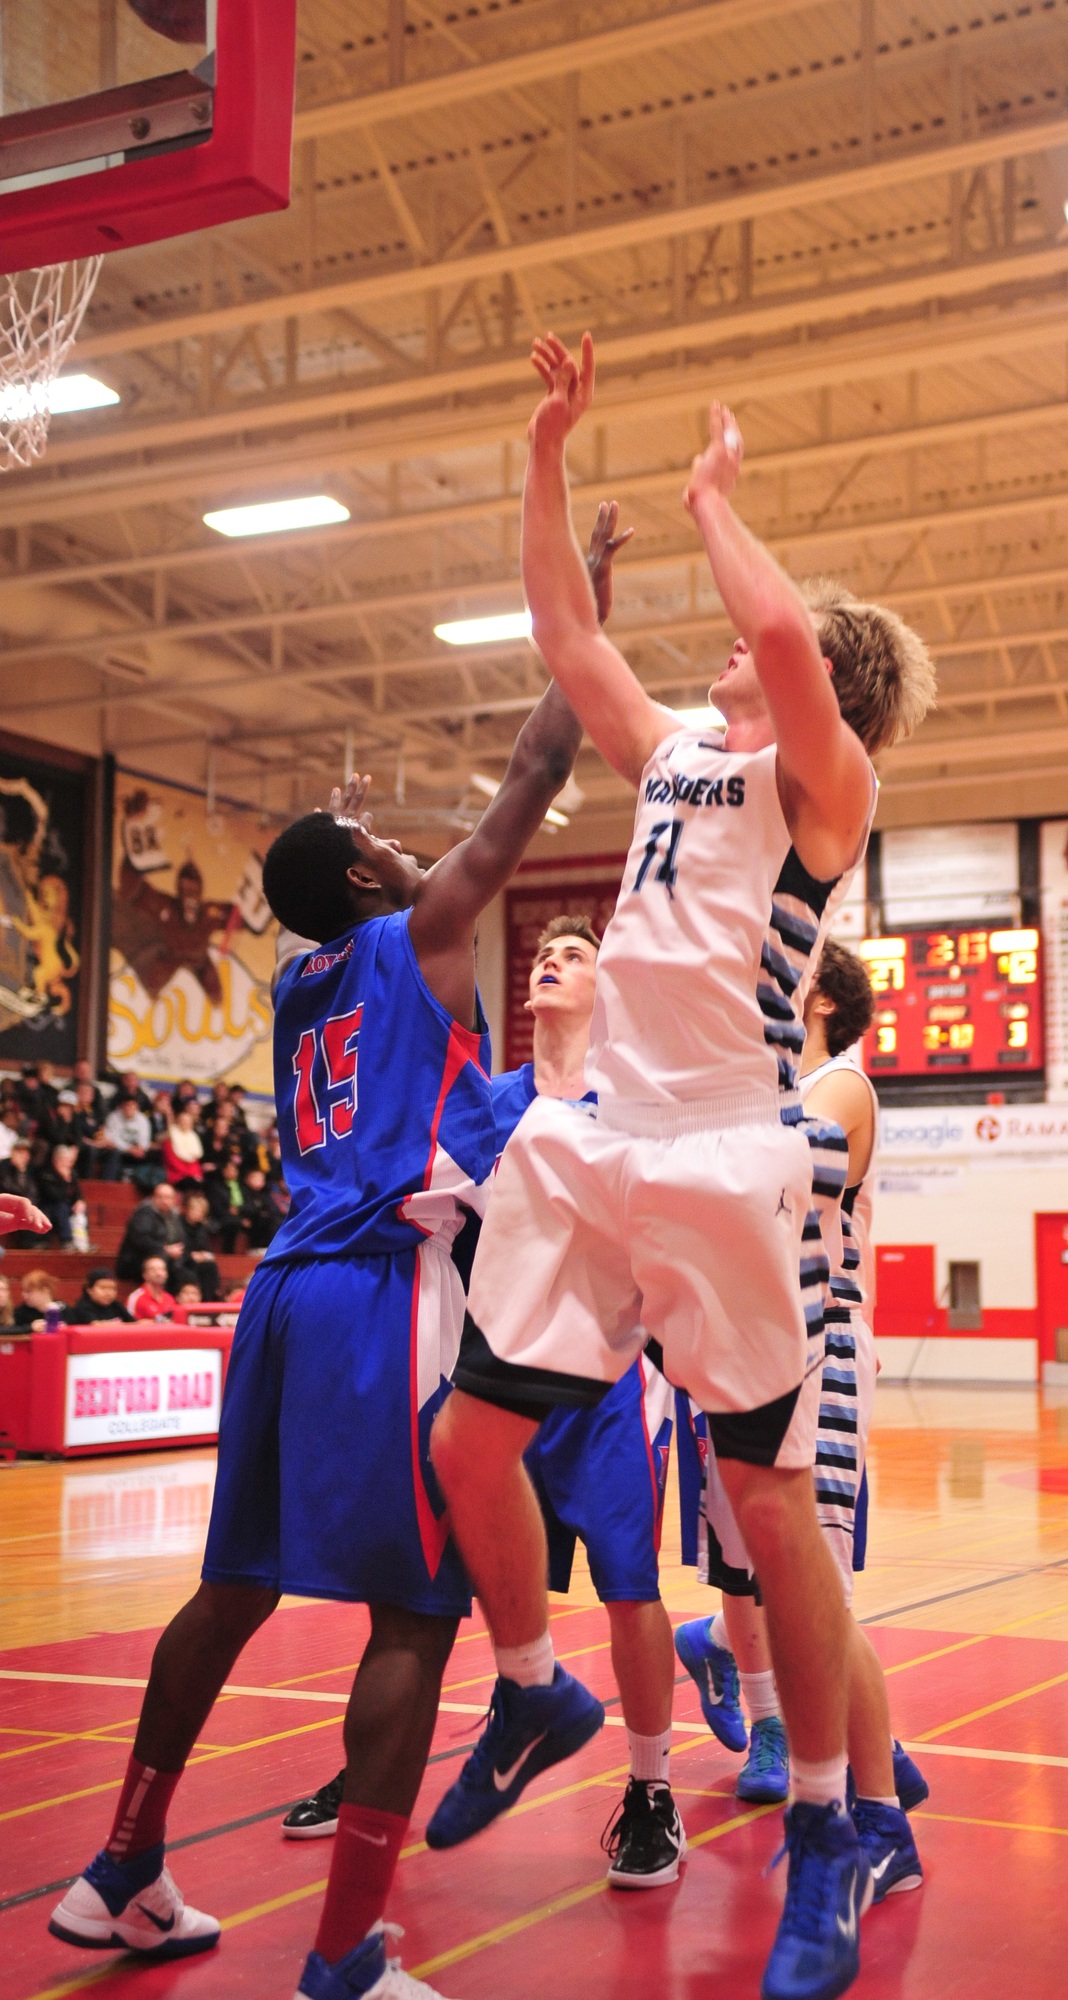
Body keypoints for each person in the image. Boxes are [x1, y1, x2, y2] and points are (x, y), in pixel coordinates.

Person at [430, 332, 935, 2000]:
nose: (728, 641)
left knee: (771, 1511)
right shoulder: (668, 754)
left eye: (759, 642)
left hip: (724, 1147)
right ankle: (530, 1686)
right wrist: (545, 451)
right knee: (468, 1437)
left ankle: (827, 1827)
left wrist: (718, 500)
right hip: (601, 1140)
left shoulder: (824, 783)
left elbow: (782, 634)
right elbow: (566, 638)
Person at [50, 665, 586, 2000]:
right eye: (380, 844)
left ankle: (120, 1867)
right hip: (377, 1294)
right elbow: (533, 775)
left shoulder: (297, 981)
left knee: (232, 1585)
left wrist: (346, 843)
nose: (406, 850)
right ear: (361, 882)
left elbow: (333, 907)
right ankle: (344, 1952)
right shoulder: (423, 931)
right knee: (414, 1613)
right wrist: (577, 634)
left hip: (282, 1293)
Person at [291, 912, 687, 1889]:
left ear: (610, 984)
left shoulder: (635, 1100)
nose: (551, 961)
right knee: (423, 1591)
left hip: (604, 1377)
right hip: (487, 1376)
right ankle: (375, 1765)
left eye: (575, 954)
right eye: (543, 952)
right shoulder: (484, 1100)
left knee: (629, 1587)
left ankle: (651, 1789)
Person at [675, 944, 927, 1881]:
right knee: (773, 1577)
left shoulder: (839, 1085)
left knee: (817, 1592)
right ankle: (862, 1752)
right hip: (748, 1344)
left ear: (815, 997)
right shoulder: (761, 1090)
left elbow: (767, 1179)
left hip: (819, 1344)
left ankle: (880, 1820)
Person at [116, 1180, 185, 1281]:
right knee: (163, 1263)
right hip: (137, 1261)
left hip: (167, 1257)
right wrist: (165, 1249)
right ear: (153, 1198)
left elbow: (182, 1239)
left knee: (194, 1268)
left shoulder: (174, 1216)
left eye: (167, 1197)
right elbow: (140, 1240)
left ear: (174, 1199)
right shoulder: (144, 1213)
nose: (164, 1201)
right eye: (160, 1197)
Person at [37, 1143, 86, 1249]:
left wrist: (79, 1201)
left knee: (81, 1209)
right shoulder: (46, 1174)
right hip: (48, 1207)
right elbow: (54, 1196)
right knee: (61, 1207)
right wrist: (64, 1181)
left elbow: (78, 1193)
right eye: (65, 1160)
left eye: (70, 1161)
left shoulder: (72, 1173)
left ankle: (83, 1244)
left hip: (66, 1206)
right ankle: (66, 1241)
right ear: (56, 1160)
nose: (69, 1164)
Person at [177, 1188, 221, 1299]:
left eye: (202, 1211)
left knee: (210, 1266)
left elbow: (207, 1249)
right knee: (195, 1271)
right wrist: (191, 1256)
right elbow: (179, 1245)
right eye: (196, 1210)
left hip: (197, 1261)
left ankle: (210, 1298)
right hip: (183, 1261)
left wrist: (204, 1255)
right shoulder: (178, 1224)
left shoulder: (201, 1228)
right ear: (188, 1209)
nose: (199, 1214)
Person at [0, 1138, 45, 1246]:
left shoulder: (32, 1169)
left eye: (26, 1153)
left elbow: (35, 1189)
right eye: (19, 1152)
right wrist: (19, 1170)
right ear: (13, 1152)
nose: (23, 1156)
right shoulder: (3, 1167)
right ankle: (28, 1245)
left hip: (29, 1202)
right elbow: (6, 1187)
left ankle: (38, 1244)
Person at [104, 1092, 154, 1185]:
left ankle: (147, 1183)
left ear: (137, 1108)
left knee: (153, 1155)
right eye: (127, 1106)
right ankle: (109, 1184)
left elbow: (145, 1138)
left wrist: (141, 1147)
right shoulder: (113, 1117)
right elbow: (111, 1138)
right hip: (119, 1149)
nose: (129, 1109)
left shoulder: (142, 1119)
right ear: (122, 1107)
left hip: (137, 1150)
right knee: (114, 1153)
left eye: (132, 1107)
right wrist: (129, 1148)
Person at [66, 1270, 135, 1327]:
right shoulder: (83, 1307)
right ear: (89, 1289)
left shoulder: (116, 1305)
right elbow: (96, 1325)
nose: (108, 1293)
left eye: (113, 1288)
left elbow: (135, 1323)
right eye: (103, 1288)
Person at [162, 1102, 205, 1187]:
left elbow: (195, 1162)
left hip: (192, 1175)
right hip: (177, 1175)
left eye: (188, 1122)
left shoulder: (193, 1137)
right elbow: (172, 1162)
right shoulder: (170, 1138)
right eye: (183, 1121)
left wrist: (196, 1175)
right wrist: (189, 1175)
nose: (185, 1123)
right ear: (177, 1121)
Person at [127, 1256, 174, 1321]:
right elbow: (129, 1323)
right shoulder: (136, 1298)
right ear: (145, 1275)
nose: (159, 1273)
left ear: (166, 1274)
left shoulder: (170, 1298)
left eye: (162, 1269)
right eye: (153, 1270)